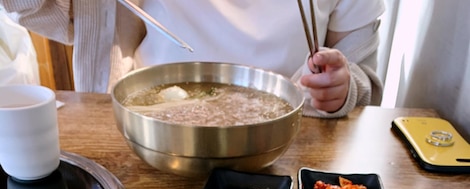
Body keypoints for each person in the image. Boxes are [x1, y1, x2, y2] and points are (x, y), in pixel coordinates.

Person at [0, 0, 385, 118]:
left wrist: (341, 85)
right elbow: (37, 9)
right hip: (147, 126)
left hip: (287, 141)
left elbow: (361, 74)